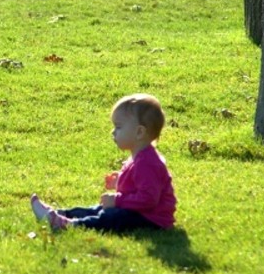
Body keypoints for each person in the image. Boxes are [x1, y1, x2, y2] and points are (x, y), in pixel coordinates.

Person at [30, 93, 176, 233]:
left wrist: (117, 201)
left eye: (118, 127)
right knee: (97, 209)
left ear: (139, 132)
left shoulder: (147, 163)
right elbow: (137, 186)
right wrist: (120, 181)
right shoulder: (140, 156)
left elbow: (148, 199)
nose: (113, 132)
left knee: (111, 217)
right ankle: (60, 214)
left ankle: (68, 224)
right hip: (139, 212)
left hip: (151, 219)